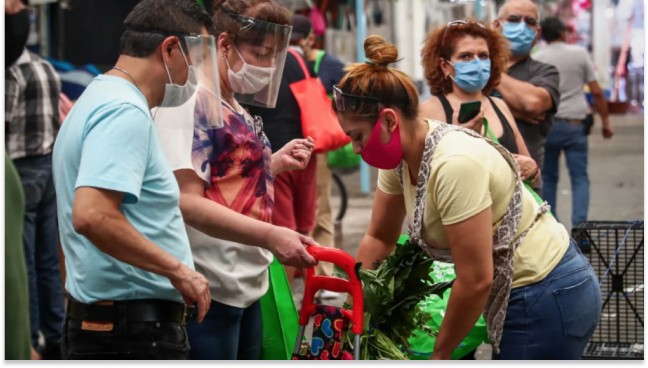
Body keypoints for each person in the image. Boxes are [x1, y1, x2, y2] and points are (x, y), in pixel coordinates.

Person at [337, 35, 601, 360]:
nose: (355, 148)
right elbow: (379, 238)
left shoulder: (454, 164)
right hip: (511, 290)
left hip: (547, 291)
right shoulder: (400, 157)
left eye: (357, 136)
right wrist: (351, 318)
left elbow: (476, 280)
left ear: (389, 121)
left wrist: (440, 354)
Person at [153, 0, 318, 360]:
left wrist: (274, 163)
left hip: (245, 283)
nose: (268, 66)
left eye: (275, 56)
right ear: (224, 44)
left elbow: (223, 178)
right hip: (209, 290)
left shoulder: (231, 103)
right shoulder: (190, 102)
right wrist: (272, 236)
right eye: (260, 53)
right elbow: (186, 201)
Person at [53, 0, 212, 360]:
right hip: (133, 335)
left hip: (113, 324)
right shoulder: (124, 112)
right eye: (197, 60)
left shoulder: (96, 97)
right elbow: (91, 215)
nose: (198, 74)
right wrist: (178, 271)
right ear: (170, 48)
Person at [246, 7, 320, 286]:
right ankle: (306, 296)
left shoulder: (262, 64)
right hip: (305, 149)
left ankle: (288, 299)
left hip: (277, 152)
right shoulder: (301, 61)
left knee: (284, 229)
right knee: (304, 225)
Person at [6, 16, 66, 361]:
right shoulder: (44, 67)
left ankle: (27, 339)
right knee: (47, 257)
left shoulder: (12, 69)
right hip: (47, 166)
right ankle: (56, 333)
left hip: (22, 168)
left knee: (21, 258)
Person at [420, 20, 540, 188]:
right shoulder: (430, 112)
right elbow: (425, 181)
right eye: (466, 56)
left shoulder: (499, 106)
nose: (477, 63)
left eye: (483, 56)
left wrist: (532, 170)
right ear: (445, 66)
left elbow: (532, 176)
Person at [533, 16, 613, 228]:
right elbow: (596, 92)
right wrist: (606, 122)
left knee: (548, 178)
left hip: (547, 126)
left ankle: (553, 229)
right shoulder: (579, 54)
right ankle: (581, 229)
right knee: (579, 179)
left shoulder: (538, 58)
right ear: (562, 33)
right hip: (575, 126)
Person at [290, 14, 347, 285]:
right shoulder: (285, 60)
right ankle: (302, 266)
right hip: (290, 147)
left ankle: (323, 274)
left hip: (316, 147)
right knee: (299, 212)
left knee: (320, 208)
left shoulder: (329, 64)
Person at [492, 0, 561, 196]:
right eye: (513, 19)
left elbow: (532, 103)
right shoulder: (473, 69)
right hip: (478, 184)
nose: (522, 26)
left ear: (537, 34)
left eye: (529, 21)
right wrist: (511, 109)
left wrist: (491, 73)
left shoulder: (545, 72)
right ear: (496, 26)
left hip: (525, 185)